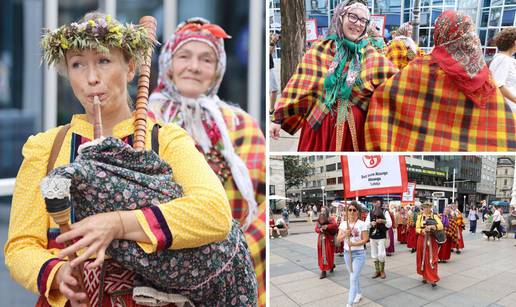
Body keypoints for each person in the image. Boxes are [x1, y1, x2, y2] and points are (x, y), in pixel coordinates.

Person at [5, 12, 257, 307]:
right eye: (77, 64)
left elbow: (214, 213)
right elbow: (20, 246)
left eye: (103, 60)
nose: (91, 78)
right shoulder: (45, 149)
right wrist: (58, 273)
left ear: (131, 68)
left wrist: (118, 224)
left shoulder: (165, 140)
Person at [147, 17, 266, 306]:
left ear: (217, 72)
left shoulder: (241, 125)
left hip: (234, 268)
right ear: (168, 64)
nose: (194, 67)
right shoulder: (143, 122)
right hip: (159, 270)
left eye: (206, 59)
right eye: (184, 56)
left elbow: (264, 202)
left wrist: (231, 259)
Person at [365, 10, 516, 151]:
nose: (410, 31)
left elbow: (384, 95)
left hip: (422, 144)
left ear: (439, 33)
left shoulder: (421, 68)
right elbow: (500, 122)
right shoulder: (483, 76)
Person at [270, 0, 397, 151]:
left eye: (363, 20)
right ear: (340, 17)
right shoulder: (320, 50)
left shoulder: (371, 56)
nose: (358, 24)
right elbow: (298, 84)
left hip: (355, 128)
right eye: (352, 16)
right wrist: (277, 119)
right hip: (320, 127)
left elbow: (397, 86)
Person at [337, 201, 368, 307]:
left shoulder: (361, 224)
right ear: (346, 211)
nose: (351, 212)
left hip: (359, 254)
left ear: (358, 211)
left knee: (353, 278)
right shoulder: (343, 224)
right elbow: (338, 239)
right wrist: (345, 233)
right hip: (347, 254)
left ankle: (349, 303)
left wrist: (353, 244)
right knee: (354, 276)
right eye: (349, 210)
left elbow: (365, 240)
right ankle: (358, 293)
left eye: (354, 210)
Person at [416, 202, 444, 287]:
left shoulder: (434, 216)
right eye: (425, 207)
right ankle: (424, 275)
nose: (426, 209)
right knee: (422, 257)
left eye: (428, 207)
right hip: (422, 239)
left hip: (432, 239)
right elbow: (416, 228)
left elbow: (441, 226)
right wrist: (422, 231)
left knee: (432, 257)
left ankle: (433, 278)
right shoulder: (420, 217)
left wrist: (432, 227)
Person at [489, 28, 516, 112]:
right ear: (515, 42)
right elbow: (499, 85)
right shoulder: (503, 59)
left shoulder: (503, 59)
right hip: (507, 109)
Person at [365, 198, 392, 279]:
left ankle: (382, 270)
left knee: (381, 254)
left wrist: (382, 221)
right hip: (373, 236)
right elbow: (366, 225)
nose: (375, 203)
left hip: (382, 235)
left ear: (380, 203)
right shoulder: (370, 212)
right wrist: (371, 223)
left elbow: (389, 224)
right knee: (374, 253)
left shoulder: (385, 211)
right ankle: (377, 271)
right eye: (374, 202)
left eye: (377, 202)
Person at [315, 207, 339, 279]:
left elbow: (335, 225)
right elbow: (316, 229)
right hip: (321, 240)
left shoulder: (330, 219)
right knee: (322, 255)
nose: (322, 212)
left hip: (329, 240)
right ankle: (323, 271)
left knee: (329, 255)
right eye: (321, 210)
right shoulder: (319, 219)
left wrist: (327, 226)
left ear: (327, 211)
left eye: (324, 210)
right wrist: (320, 229)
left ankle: (331, 265)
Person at [269, 32, 281, 115]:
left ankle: (271, 109)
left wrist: (273, 42)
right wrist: (273, 41)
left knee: (274, 90)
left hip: (270, 66)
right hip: (269, 67)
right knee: (274, 90)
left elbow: (271, 52)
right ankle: (271, 110)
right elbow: (269, 52)